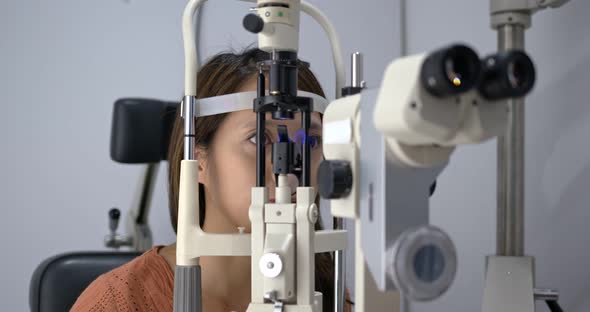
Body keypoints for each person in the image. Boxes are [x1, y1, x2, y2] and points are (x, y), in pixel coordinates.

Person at [71, 48, 351, 312]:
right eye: (258, 139)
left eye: (310, 141)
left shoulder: (329, 294)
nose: (289, 170)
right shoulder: (118, 302)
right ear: (198, 160)